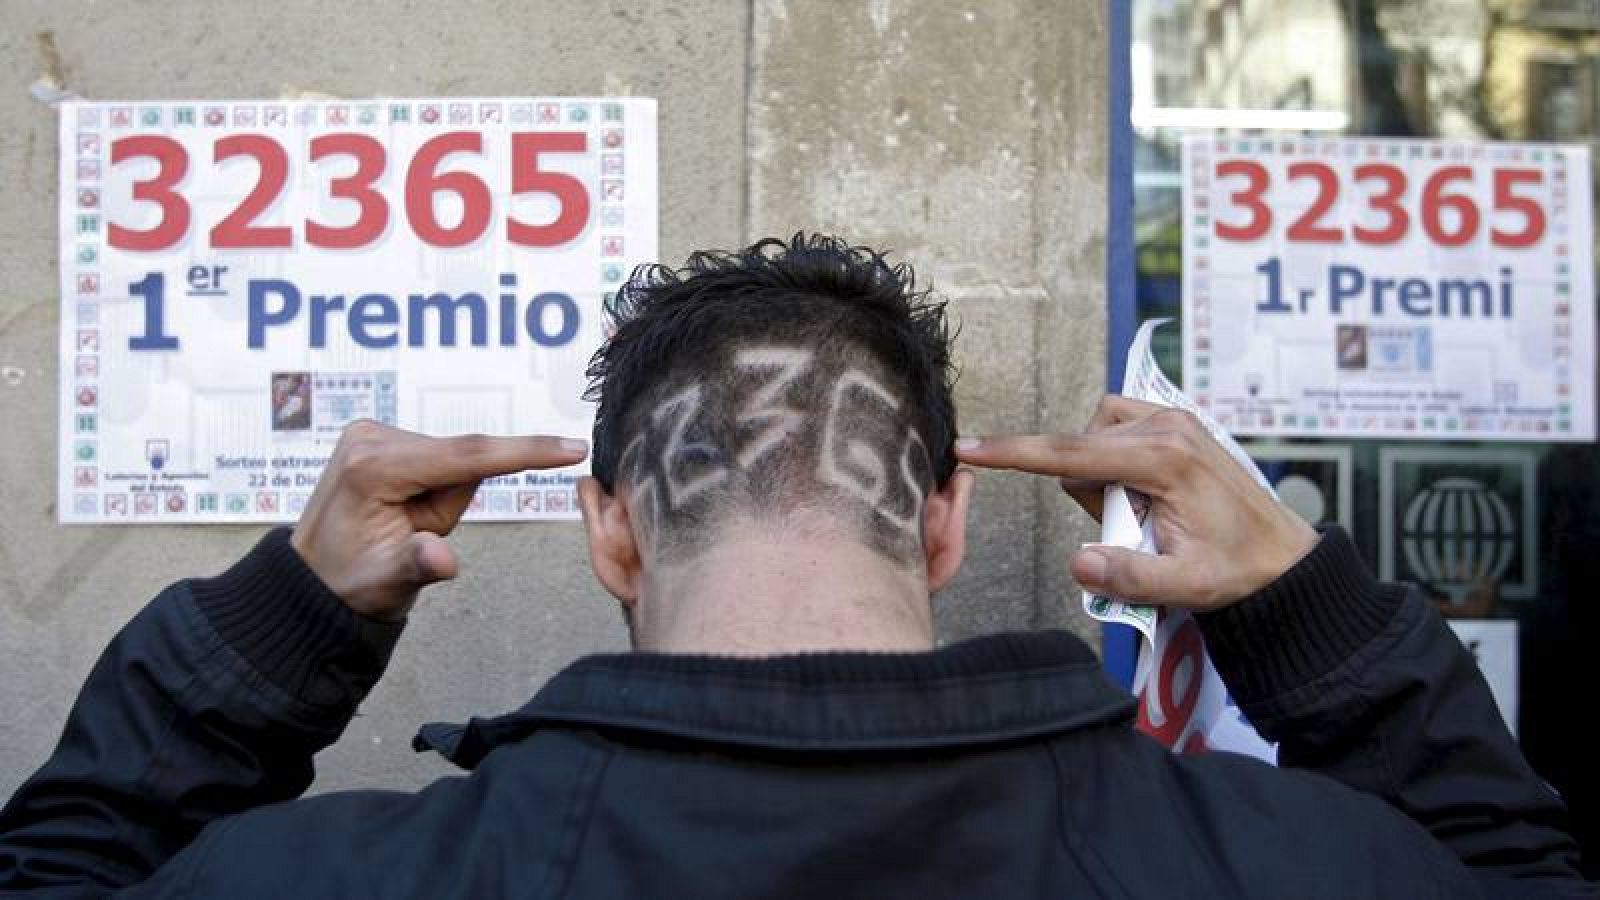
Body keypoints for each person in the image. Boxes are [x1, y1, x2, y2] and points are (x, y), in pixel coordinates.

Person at [0, 234, 1591, 897]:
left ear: (609, 523)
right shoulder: (1271, 869)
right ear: (949, 521)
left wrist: (280, 619)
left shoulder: (364, 881)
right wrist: (1308, 611)